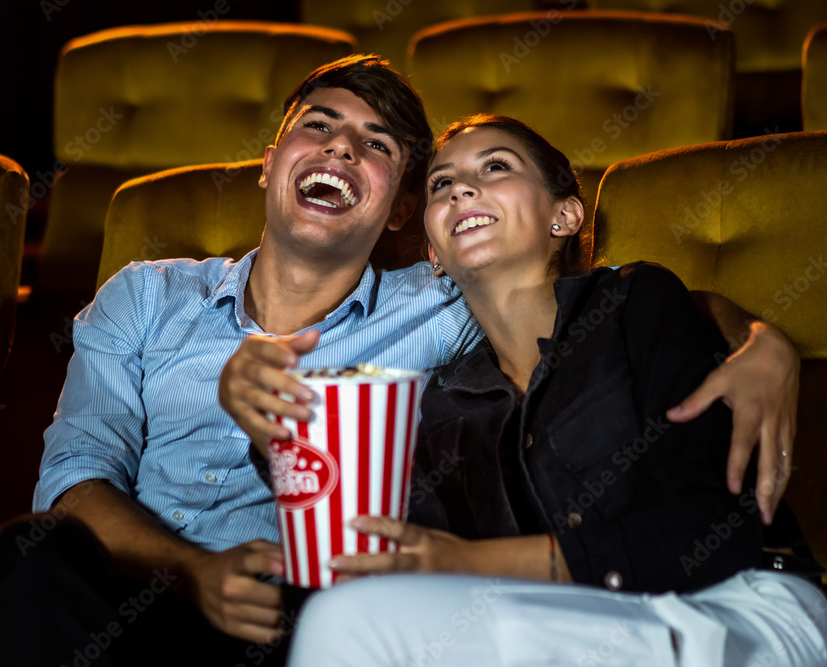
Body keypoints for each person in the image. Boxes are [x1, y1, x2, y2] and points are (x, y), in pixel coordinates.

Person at [0, 56, 800, 665]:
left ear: (401, 211)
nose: (338, 149)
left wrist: (762, 340)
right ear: (270, 164)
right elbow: (73, 480)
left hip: (306, 615)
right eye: (316, 127)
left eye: (377, 146)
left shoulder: (445, 310)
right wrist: (195, 569)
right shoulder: (143, 297)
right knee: (29, 557)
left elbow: (623, 305)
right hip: (131, 604)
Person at [280, 115, 827, 666]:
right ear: (434, 254)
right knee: (351, 610)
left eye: (496, 167)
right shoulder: (441, 404)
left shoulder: (636, 302)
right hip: (571, 623)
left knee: (346, 622)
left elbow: (712, 530)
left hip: (742, 605)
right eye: (441, 185)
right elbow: (393, 562)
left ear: (564, 216)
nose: (462, 188)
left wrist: (470, 564)